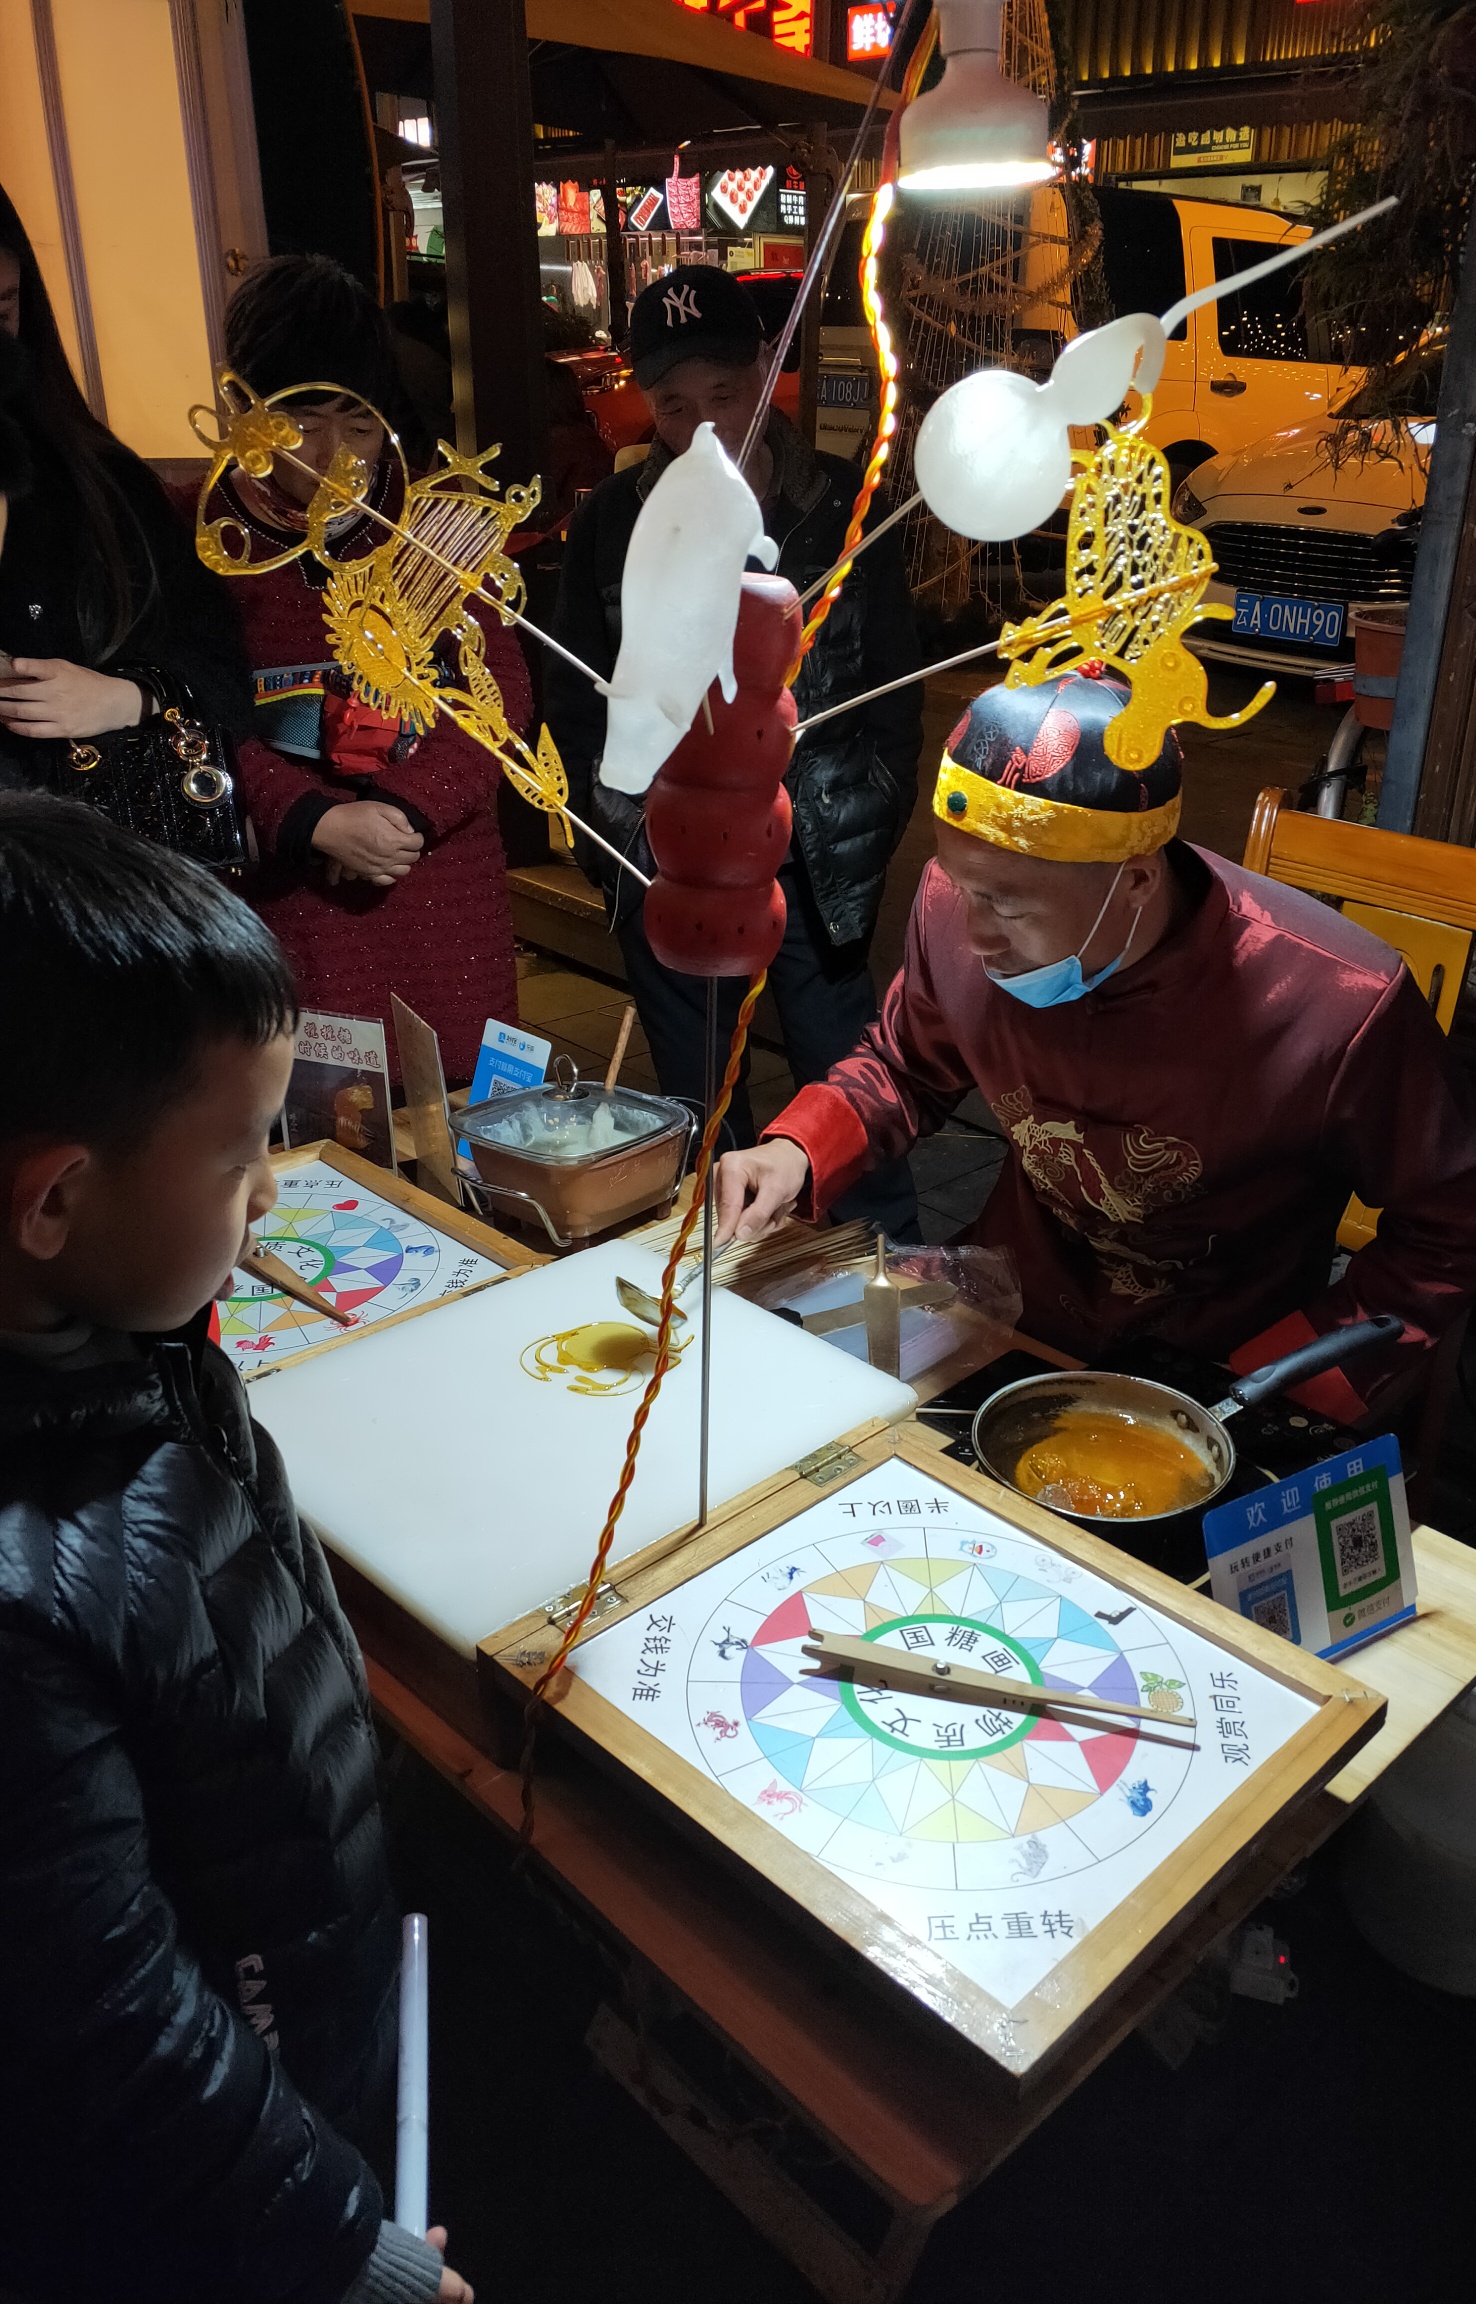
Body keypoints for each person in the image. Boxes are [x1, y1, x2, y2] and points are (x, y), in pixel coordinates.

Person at [0, 793, 471, 2303]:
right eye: (243, 1155)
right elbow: (110, 2027)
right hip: (210, 2194)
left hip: (299, 1974)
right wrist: (338, 2248)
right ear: (55, 1200)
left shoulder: (128, 1345)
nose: (271, 1191)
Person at [717, 669, 1476, 1416]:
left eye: (1009, 906)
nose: (975, 933)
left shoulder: (1335, 1002)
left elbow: (1455, 1222)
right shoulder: (953, 912)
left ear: (1135, 880)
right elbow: (904, 1066)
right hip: (1005, 1304)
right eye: (961, 887)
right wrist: (796, 1152)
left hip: (1220, 1363)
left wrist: (1282, 1382)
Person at [545, 264, 922, 1238]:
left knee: (847, 1092)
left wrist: (865, 830)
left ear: (766, 366)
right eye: (675, 406)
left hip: (814, 861)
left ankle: (890, 1285)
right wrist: (616, 849)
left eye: (724, 392)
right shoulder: (613, 520)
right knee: (702, 1112)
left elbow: (895, 690)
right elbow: (576, 700)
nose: (705, 426)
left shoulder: (842, 503)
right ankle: (730, 1291)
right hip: (668, 856)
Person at [203, 253, 524, 1080]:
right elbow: (194, 709)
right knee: (320, 1123)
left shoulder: (437, 527)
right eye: (302, 422)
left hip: (437, 879)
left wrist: (407, 809)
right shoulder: (200, 539)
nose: (333, 456)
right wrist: (308, 817)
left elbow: (499, 698)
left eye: (359, 425)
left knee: (467, 1119)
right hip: (291, 889)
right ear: (243, 410)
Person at [0, 184, 252, 794]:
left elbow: (219, 668)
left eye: (2, 312)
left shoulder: (96, 482)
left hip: (91, 830)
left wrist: (126, 696)